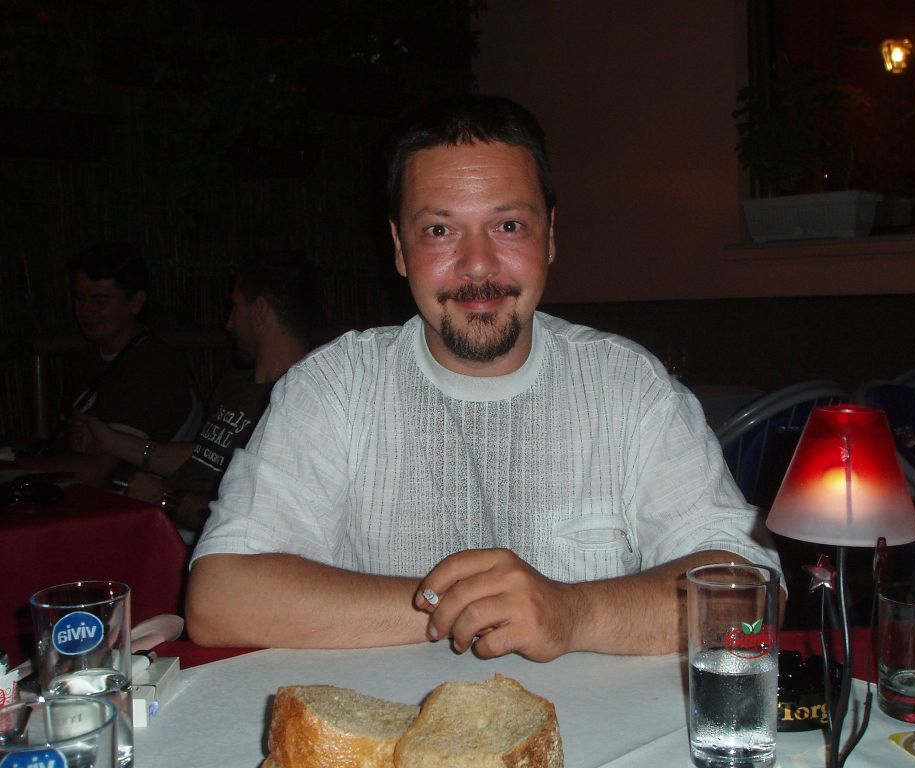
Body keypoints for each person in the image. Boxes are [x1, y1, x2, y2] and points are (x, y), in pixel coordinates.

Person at [186, 95, 782, 661]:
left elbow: (751, 593)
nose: (477, 265)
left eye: (509, 226)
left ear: (550, 235)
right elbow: (220, 596)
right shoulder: (335, 388)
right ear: (399, 248)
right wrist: (468, 610)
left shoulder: (627, 386)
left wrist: (573, 613)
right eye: (439, 230)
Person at [70, 254, 318, 535]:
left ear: (260, 311)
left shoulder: (300, 405)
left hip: (204, 546)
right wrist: (110, 441)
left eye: (235, 307)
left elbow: (264, 518)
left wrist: (164, 499)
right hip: (168, 530)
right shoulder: (237, 384)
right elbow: (203, 456)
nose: (229, 324)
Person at [21, 244, 192, 487]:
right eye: (79, 298)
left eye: (99, 301)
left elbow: (93, 471)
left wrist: (16, 471)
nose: (85, 310)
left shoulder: (152, 367)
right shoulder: (90, 356)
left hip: (117, 499)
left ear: (135, 303)